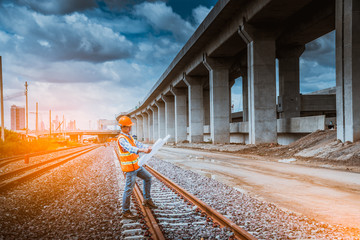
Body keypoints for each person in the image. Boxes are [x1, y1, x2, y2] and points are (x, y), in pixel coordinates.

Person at [117, 116, 158, 220]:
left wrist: (146, 147)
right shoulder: (122, 139)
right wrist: (143, 151)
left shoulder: (129, 136)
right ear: (123, 127)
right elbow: (130, 148)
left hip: (137, 166)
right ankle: (125, 211)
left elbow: (137, 143)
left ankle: (147, 200)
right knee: (129, 189)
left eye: (130, 127)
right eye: (128, 127)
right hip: (130, 168)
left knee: (148, 178)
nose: (130, 128)